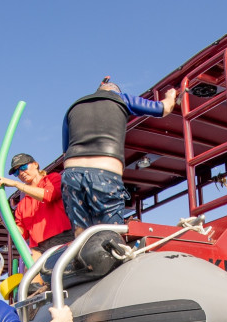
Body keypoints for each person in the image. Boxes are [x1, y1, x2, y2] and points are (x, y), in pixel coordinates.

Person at [61, 77, 178, 231]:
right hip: (104, 174)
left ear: (101, 87)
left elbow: (65, 152)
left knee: (80, 235)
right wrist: (171, 95)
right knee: (110, 233)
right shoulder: (121, 99)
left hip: (72, 176)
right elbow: (163, 109)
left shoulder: (74, 107)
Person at [0, 153, 73, 263]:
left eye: (23, 167)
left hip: (63, 238)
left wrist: (16, 184)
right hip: (39, 249)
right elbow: (19, 233)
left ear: (36, 164)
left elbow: (48, 195)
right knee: (31, 274)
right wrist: (0, 216)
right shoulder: (22, 205)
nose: (21, 173)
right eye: (17, 172)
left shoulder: (52, 178)